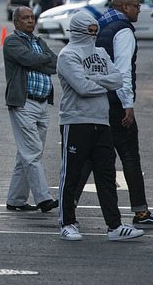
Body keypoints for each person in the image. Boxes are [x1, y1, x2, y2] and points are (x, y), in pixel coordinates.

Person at [76, 0, 153, 229]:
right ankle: (141, 212)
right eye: (137, 6)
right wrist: (127, 104)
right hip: (116, 104)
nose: (140, 10)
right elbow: (122, 71)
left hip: (98, 102)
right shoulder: (123, 30)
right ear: (125, 7)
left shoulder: (102, 26)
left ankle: (68, 204)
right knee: (129, 156)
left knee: (89, 156)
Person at [56, 13, 143, 242]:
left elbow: (118, 80)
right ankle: (67, 223)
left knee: (106, 175)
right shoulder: (68, 55)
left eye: (96, 30)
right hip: (76, 121)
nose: (94, 34)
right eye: (90, 30)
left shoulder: (101, 53)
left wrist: (93, 78)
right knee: (71, 175)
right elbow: (82, 87)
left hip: (101, 121)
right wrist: (100, 80)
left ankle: (114, 226)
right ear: (78, 30)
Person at [2, 7, 58, 213]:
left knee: (28, 154)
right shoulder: (12, 41)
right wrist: (40, 59)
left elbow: (56, 64)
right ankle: (44, 199)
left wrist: (37, 59)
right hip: (24, 103)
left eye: (32, 17)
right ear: (16, 22)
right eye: (25, 18)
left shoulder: (39, 42)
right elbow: (28, 59)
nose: (30, 21)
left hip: (43, 103)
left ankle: (16, 199)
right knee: (32, 152)